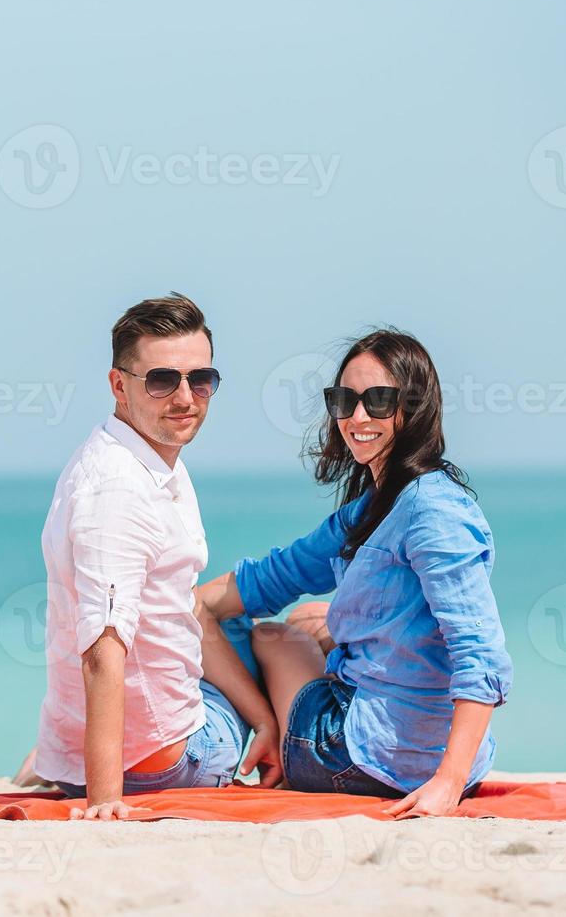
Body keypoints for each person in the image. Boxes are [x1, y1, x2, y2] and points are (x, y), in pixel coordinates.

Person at [195, 328, 514, 817]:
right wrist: (186, 603)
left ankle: (269, 732)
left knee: (276, 636)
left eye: (378, 401)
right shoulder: (375, 509)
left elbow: (482, 656)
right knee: (311, 618)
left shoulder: (432, 512)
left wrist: (446, 786)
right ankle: (268, 725)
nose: (358, 417)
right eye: (345, 400)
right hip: (437, 760)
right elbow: (276, 574)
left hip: (351, 757)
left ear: (415, 407)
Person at [32, 293, 280, 820]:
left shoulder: (141, 456)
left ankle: (55, 759)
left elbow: (182, 606)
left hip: (78, 753)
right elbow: (102, 645)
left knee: (224, 623)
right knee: (284, 639)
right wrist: (104, 801)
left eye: (201, 379)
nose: (186, 397)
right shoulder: (119, 490)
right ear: (119, 385)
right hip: (166, 763)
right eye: (163, 380)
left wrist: (260, 718)